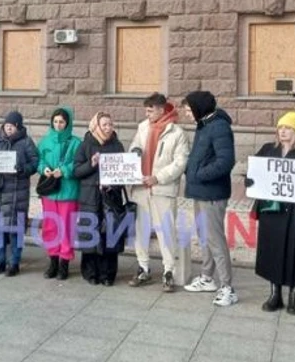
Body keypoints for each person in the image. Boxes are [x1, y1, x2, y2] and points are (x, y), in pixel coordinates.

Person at [247, 112, 295, 315]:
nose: (283, 131)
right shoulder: (267, 150)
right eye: (280, 128)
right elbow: (255, 171)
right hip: (273, 211)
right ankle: (275, 294)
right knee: (273, 250)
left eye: (287, 128)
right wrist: (250, 180)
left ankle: (294, 296)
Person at [180, 90, 238, 306]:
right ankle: (207, 277)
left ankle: (227, 287)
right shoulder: (204, 124)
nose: (186, 113)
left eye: (188, 109)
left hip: (212, 193)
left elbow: (225, 161)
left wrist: (199, 174)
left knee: (215, 239)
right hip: (200, 191)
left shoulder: (219, 127)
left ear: (198, 108)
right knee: (204, 236)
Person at [127, 93, 190, 292]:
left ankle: (168, 271)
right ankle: (143, 267)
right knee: (142, 229)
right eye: (146, 110)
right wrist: (135, 152)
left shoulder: (177, 132)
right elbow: (134, 146)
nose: (147, 114)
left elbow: (180, 163)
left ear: (162, 109)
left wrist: (158, 177)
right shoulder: (143, 127)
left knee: (166, 230)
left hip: (162, 188)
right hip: (141, 186)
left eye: (150, 110)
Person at [0, 111, 39, 276]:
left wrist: (23, 169)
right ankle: (0, 261)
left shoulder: (26, 142)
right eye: (7, 126)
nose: (8, 129)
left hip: (16, 194)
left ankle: (14, 262)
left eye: (11, 126)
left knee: (15, 231)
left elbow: (35, 163)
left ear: (18, 127)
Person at [74, 111, 127, 286]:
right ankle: (91, 273)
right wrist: (91, 164)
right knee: (91, 234)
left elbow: (124, 173)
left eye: (110, 124)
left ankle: (108, 274)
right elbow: (77, 171)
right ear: (95, 126)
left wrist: (113, 185)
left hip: (111, 198)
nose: (108, 128)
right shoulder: (85, 145)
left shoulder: (117, 146)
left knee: (109, 235)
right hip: (90, 197)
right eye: (104, 125)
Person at [36, 106, 81, 280]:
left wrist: (65, 170)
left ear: (67, 123)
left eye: (61, 122)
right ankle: (53, 260)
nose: (58, 125)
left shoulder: (76, 143)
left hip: (68, 191)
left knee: (66, 227)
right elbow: (38, 159)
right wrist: (43, 169)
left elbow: (79, 164)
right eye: (55, 121)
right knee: (50, 226)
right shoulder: (45, 141)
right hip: (50, 192)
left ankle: (64, 263)